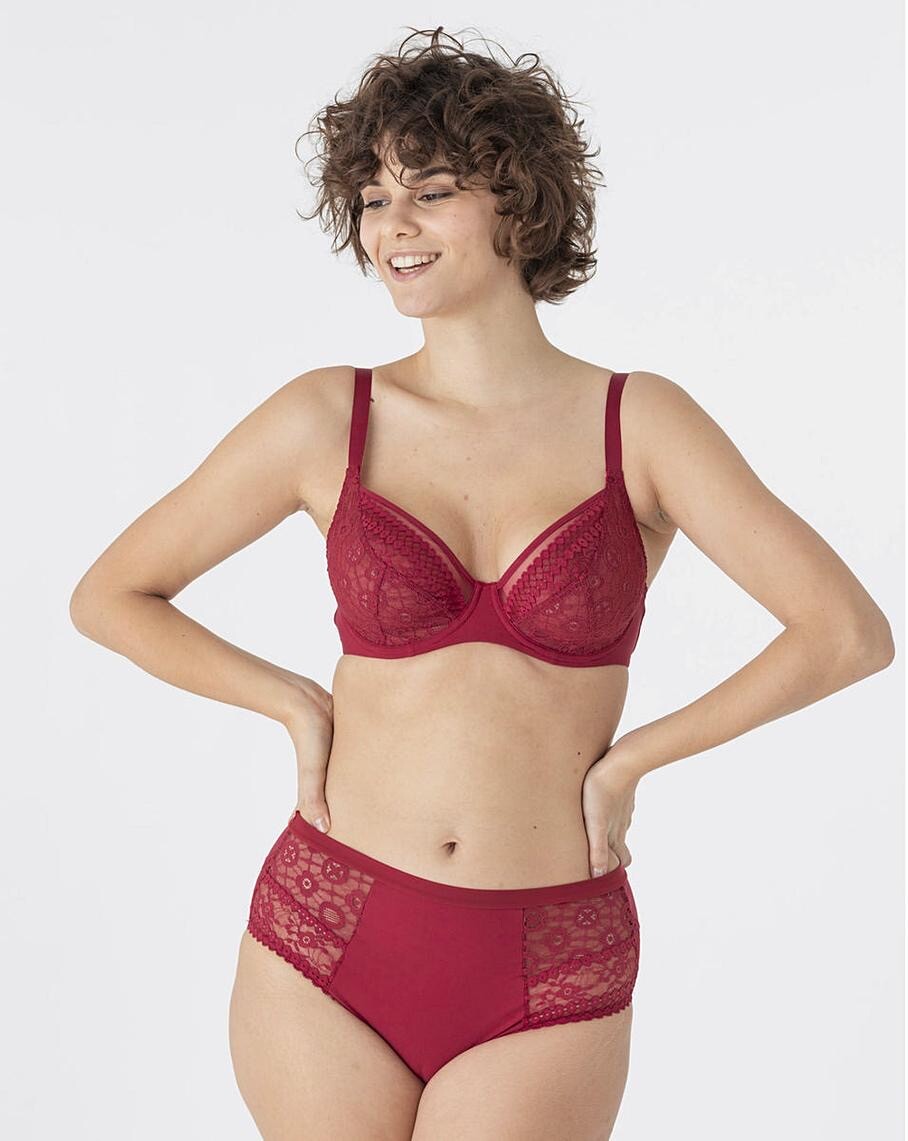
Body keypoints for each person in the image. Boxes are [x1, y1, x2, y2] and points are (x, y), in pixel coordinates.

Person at [69, 26, 895, 1141]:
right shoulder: (327, 416)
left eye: (430, 193)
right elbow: (112, 593)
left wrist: (631, 762)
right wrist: (291, 702)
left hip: (547, 951)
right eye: (372, 199)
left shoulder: (638, 422)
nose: (391, 227)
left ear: (518, 199)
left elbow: (843, 633)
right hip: (329, 932)